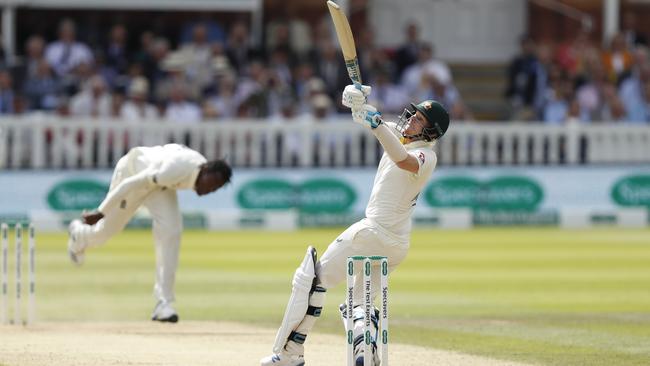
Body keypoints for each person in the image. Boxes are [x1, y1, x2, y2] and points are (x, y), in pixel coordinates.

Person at [260, 84, 450, 366]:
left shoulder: (426, 155)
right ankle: (364, 353)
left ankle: (289, 354)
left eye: (419, 119)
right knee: (358, 303)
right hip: (396, 245)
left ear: (431, 131)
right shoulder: (401, 137)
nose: (410, 120)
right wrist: (356, 100)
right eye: (412, 114)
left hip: (373, 233)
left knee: (312, 280)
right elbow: (368, 119)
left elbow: (402, 159)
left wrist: (375, 124)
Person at [67, 144, 232, 322]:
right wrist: (101, 211)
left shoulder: (197, 167)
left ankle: (163, 304)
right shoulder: (176, 168)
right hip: (132, 173)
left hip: (160, 186)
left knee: (172, 231)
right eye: (212, 184)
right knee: (106, 230)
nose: (209, 191)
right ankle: (80, 235)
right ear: (205, 170)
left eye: (215, 189)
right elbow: (131, 183)